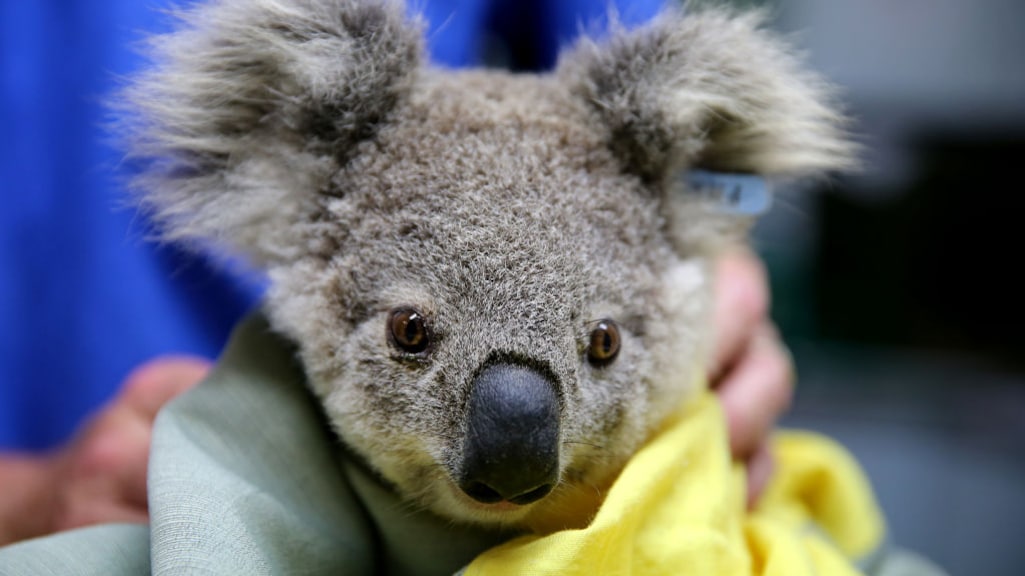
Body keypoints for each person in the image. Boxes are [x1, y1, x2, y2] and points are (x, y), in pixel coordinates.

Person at [0, 0, 792, 547]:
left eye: (603, 343)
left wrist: (715, 339)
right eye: (412, 335)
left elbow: (686, 175)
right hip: (134, 493)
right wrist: (23, 506)